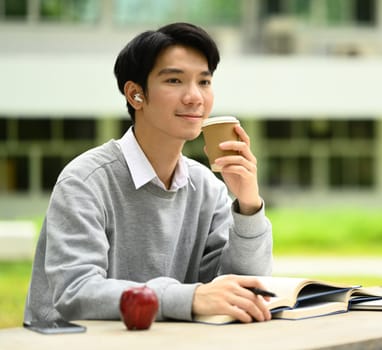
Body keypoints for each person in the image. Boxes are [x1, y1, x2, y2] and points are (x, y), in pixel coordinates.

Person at [24, 22, 273, 324]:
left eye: (204, 82)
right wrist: (186, 298)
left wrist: (248, 204)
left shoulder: (207, 187)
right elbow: (75, 293)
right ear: (135, 94)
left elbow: (238, 290)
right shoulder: (85, 181)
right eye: (174, 80)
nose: (195, 97)